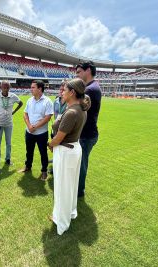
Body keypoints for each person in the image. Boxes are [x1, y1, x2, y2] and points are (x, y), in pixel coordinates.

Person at [48, 78, 90, 235]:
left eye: (64, 90)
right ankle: (69, 213)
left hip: (66, 151)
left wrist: (50, 144)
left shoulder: (72, 112)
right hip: (72, 148)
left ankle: (61, 221)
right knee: (69, 186)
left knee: (63, 187)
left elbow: (58, 138)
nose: (62, 92)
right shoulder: (79, 108)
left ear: (72, 92)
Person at [75, 61, 102, 198]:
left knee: (81, 165)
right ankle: (78, 190)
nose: (77, 75)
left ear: (88, 70)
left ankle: (78, 192)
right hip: (87, 133)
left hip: (86, 135)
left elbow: (77, 111)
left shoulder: (90, 90)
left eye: (79, 72)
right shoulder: (92, 87)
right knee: (80, 163)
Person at [19, 80, 53, 181]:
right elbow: (25, 114)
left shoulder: (47, 101)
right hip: (29, 132)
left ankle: (44, 171)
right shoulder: (30, 100)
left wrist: (35, 127)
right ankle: (28, 166)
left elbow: (48, 117)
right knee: (29, 151)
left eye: (33, 87)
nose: (31, 89)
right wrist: (29, 126)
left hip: (41, 133)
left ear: (40, 89)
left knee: (43, 152)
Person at [0, 81, 23, 166]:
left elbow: (21, 103)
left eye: (7, 87)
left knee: (8, 142)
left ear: (9, 88)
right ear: (0, 88)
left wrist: (14, 111)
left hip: (9, 123)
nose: (6, 89)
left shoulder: (13, 96)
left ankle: (8, 159)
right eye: (4, 87)